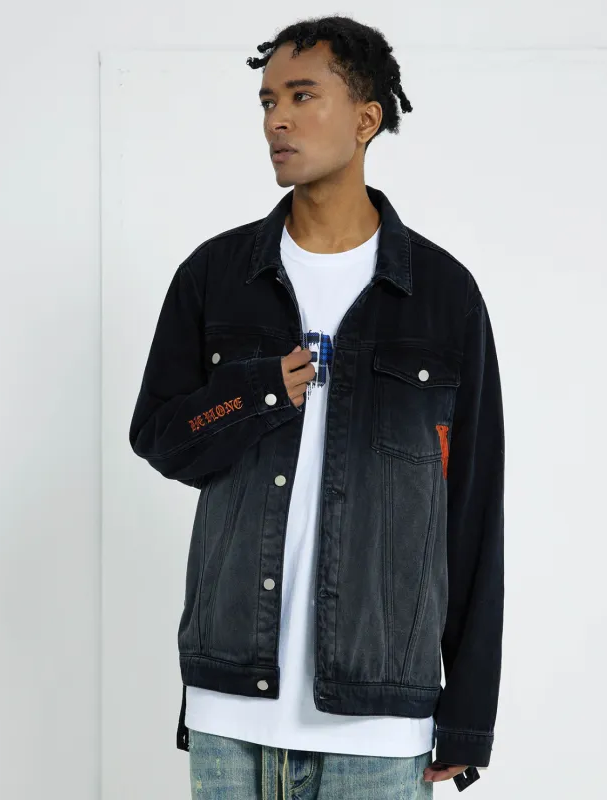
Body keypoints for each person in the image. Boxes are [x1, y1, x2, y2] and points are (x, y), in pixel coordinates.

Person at [129, 13, 505, 798]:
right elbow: (161, 438)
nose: (278, 120)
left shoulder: (442, 296)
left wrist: (468, 714)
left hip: (380, 722)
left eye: (303, 96)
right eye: (268, 101)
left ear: (367, 118)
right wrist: (256, 393)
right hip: (232, 708)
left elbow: (470, 510)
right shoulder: (215, 276)